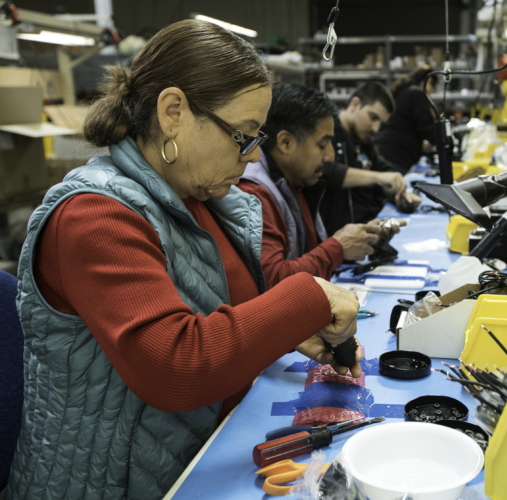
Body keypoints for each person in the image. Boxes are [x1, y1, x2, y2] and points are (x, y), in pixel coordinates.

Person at [6, 20, 361, 500]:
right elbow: (176, 366)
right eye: (243, 136)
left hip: (200, 453)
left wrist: (282, 330)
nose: (253, 158)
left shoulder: (201, 197)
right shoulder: (93, 215)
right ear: (173, 112)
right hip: (109, 482)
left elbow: (219, 312)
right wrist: (307, 298)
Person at [238, 84, 404, 288]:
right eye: (322, 145)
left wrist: (359, 239)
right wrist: (337, 248)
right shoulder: (255, 195)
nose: (330, 156)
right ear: (286, 143)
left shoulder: (294, 179)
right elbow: (273, 282)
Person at [318, 81, 422, 236]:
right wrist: (377, 178)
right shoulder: (329, 132)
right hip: (343, 236)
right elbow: (327, 172)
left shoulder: (363, 139)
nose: (376, 128)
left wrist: (399, 191)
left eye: (380, 122)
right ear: (355, 104)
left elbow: (382, 167)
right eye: (373, 117)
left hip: (372, 224)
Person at [374, 65, 438, 174]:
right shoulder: (418, 93)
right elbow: (426, 126)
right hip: (397, 155)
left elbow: (408, 124)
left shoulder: (404, 91)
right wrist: (442, 139)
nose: (432, 92)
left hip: (384, 151)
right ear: (428, 80)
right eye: (433, 87)